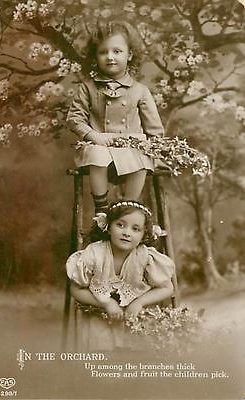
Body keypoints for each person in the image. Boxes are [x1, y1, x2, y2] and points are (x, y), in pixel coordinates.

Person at [67, 21, 165, 213]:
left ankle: (125, 210)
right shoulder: (88, 88)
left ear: (130, 55)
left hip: (130, 148)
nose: (110, 57)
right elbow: (74, 118)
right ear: (96, 56)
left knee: (142, 157)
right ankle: (102, 213)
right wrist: (94, 136)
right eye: (103, 52)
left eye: (117, 51)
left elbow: (154, 129)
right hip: (100, 146)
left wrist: (158, 152)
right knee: (97, 154)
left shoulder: (140, 90)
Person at [66, 200, 175, 351]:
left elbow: (167, 288)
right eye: (120, 225)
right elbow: (75, 289)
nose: (127, 232)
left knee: (139, 350)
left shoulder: (144, 256)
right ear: (108, 227)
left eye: (135, 229)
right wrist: (106, 303)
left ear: (144, 234)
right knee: (101, 349)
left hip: (134, 316)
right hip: (99, 315)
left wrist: (139, 303)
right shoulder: (94, 253)